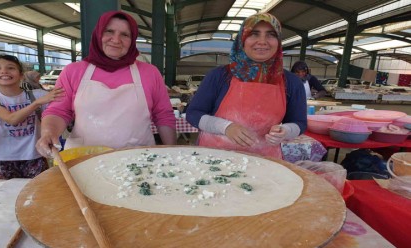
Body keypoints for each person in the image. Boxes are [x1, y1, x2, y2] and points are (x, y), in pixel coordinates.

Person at [36, 11, 176, 157]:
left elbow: (163, 115)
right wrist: (48, 133)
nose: (116, 40)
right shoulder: (73, 71)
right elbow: (59, 111)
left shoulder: (150, 73)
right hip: (84, 158)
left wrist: (173, 152)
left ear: (132, 39)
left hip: (138, 158)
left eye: (125, 34)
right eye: (109, 31)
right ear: (98, 34)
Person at [185, 13, 307, 159]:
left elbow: (299, 122)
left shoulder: (291, 82)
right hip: (213, 158)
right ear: (242, 39)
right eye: (254, 34)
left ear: (278, 41)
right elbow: (193, 114)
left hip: (265, 162)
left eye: (271, 35)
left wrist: (286, 130)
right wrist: (225, 127)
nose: (262, 41)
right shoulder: (219, 76)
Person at [0, 54, 64, 179]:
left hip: (34, 154)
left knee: (38, 188)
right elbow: (12, 119)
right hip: (5, 157)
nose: (4, 71)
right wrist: (37, 103)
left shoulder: (39, 94)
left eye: (10, 68)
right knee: (12, 191)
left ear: (21, 75)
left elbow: (61, 105)